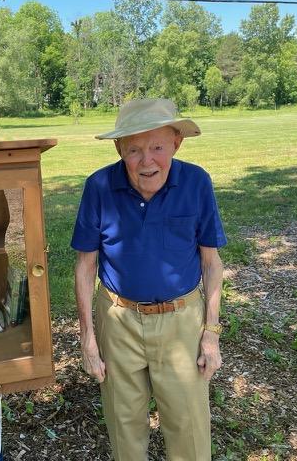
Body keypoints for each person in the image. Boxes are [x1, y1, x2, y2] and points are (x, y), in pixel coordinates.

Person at [71, 98, 227, 461]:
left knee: (188, 428)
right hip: (117, 318)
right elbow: (85, 266)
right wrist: (88, 337)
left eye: (157, 147)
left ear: (177, 142)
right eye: (134, 150)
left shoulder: (196, 183)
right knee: (124, 426)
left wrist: (211, 332)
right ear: (119, 149)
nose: (147, 161)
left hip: (182, 320)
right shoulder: (99, 187)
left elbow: (211, 263)